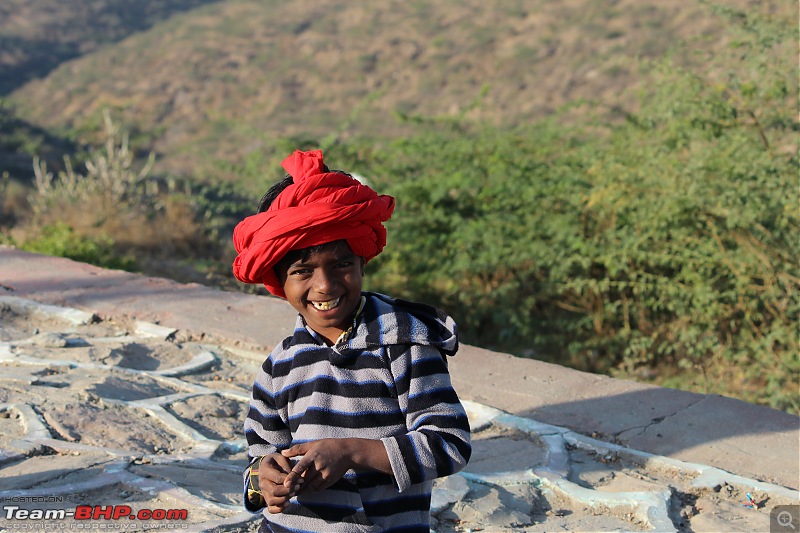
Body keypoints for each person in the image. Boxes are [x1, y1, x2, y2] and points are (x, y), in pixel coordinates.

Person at [232, 149, 472, 532]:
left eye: (342, 264)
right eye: (302, 270)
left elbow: (449, 443)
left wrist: (352, 452)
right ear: (280, 282)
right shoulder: (280, 365)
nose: (324, 285)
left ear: (363, 262)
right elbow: (259, 455)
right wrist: (265, 481)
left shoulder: (405, 344)